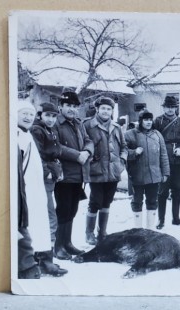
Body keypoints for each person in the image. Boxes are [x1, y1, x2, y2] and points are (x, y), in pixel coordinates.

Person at [54, 91, 94, 260]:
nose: (72, 109)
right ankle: (58, 246)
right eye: (68, 106)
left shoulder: (78, 123)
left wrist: (86, 151)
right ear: (60, 107)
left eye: (74, 106)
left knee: (72, 210)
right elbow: (54, 146)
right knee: (63, 210)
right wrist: (77, 155)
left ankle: (68, 243)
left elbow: (88, 140)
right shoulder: (55, 123)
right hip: (63, 176)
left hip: (78, 175)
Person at [83, 97, 128, 245]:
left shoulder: (116, 127)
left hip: (113, 172)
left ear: (112, 111)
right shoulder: (88, 125)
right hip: (96, 171)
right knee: (95, 201)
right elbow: (82, 144)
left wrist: (121, 162)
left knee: (107, 202)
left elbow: (124, 146)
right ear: (97, 109)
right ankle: (89, 233)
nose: (105, 111)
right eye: (103, 108)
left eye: (108, 109)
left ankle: (102, 232)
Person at [30, 102, 68, 276]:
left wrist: (57, 170)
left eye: (54, 116)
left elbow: (56, 151)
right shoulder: (38, 130)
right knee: (48, 217)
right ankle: (44, 260)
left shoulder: (50, 130)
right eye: (48, 115)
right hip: (43, 178)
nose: (51, 119)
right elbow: (36, 155)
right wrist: (47, 172)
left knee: (49, 216)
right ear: (40, 115)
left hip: (50, 177)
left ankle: (45, 259)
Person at [17, 100, 52, 278]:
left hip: (35, 187)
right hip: (23, 189)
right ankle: (28, 264)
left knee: (39, 222)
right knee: (26, 225)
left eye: (31, 114)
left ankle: (41, 259)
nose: (27, 117)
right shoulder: (15, 135)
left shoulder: (27, 134)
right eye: (23, 113)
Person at [124, 109, 170, 229]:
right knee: (137, 201)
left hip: (154, 175)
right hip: (137, 175)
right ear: (140, 121)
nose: (149, 122)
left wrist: (165, 172)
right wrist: (134, 152)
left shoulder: (157, 135)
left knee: (152, 201)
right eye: (146, 120)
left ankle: (149, 230)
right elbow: (122, 152)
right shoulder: (130, 134)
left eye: (150, 119)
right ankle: (138, 229)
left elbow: (163, 155)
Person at [153, 96, 180, 229]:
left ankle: (176, 218)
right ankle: (161, 220)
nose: (170, 109)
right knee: (162, 191)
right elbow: (151, 137)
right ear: (163, 108)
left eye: (173, 107)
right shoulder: (157, 121)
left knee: (177, 190)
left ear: (176, 108)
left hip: (178, 161)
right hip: (163, 161)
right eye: (167, 107)